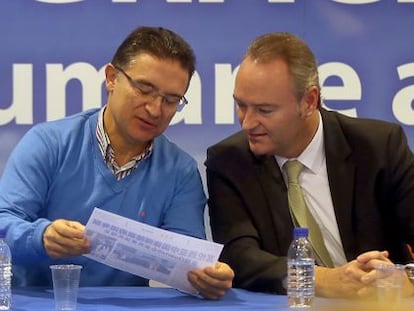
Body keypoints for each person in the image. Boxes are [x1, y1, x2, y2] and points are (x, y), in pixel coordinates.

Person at [0, 26, 233, 300]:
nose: (155, 109)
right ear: (111, 78)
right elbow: (4, 221)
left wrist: (206, 277)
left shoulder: (179, 171)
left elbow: (186, 259)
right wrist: (42, 237)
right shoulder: (49, 143)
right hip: (39, 302)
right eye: (144, 89)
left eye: (171, 100)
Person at [205, 32, 414, 299]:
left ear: (309, 101)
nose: (247, 123)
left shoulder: (378, 147)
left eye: (264, 110)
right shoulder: (229, 161)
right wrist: (321, 279)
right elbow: (239, 257)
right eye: (241, 105)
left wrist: (405, 278)